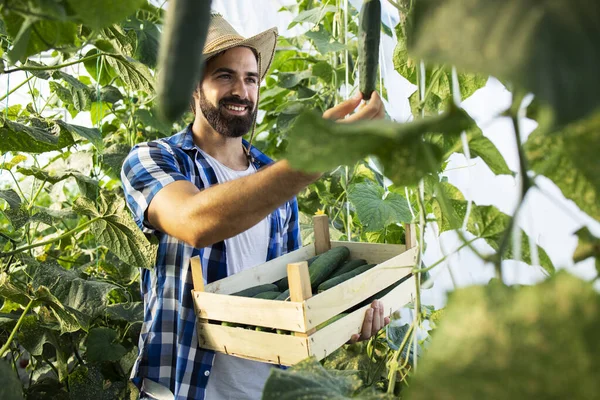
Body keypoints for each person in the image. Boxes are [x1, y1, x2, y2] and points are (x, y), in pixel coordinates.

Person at [121, 13, 388, 400]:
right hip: (181, 389)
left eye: (250, 78)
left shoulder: (273, 179)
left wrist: (343, 315)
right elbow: (194, 221)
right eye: (224, 76)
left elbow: (292, 293)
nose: (242, 91)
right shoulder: (154, 159)